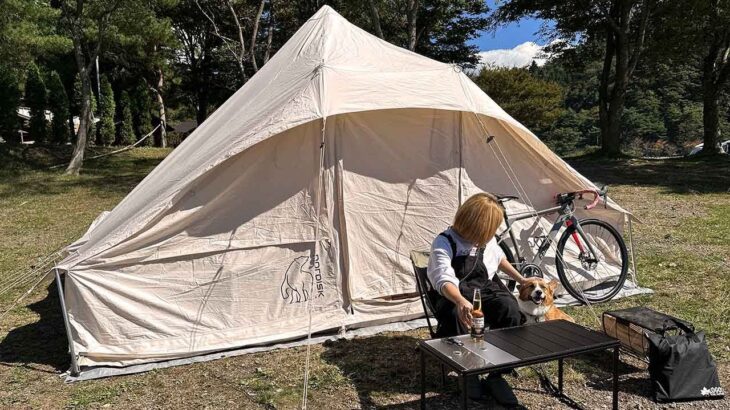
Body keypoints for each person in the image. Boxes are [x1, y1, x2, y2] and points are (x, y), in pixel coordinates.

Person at [427, 192, 526, 407]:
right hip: (452, 293)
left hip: (483, 289)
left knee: (510, 309)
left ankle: (496, 373)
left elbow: (498, 258)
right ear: (473, 224)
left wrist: (521, 279)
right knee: (455, 314)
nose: (489, 235)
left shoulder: (485, 239)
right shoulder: (444, 242)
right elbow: (442, 278)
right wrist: (460, 300)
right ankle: (469, 371)